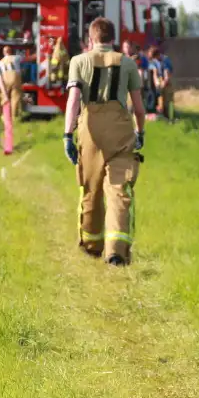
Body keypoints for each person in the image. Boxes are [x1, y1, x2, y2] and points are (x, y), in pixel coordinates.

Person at [63, 18, 146, 267]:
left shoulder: (78, 61)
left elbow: (74, 99)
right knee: (119, 191)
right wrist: (140, 132)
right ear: (113, 39)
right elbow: (139, 108)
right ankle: (116, 252)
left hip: (90, 130)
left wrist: (68, 134)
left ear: (91, 38)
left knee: (91, 187)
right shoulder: (128, 63)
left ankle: (91, 244)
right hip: (120, 130)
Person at [148, 46, 175, 123]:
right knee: (160, 100)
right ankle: (164, 118)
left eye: (154, 57)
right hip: (160, 79)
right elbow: (155, 73)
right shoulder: (154, 61)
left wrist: (164, 84)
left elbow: (167, 74)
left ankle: (171, 118)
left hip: (168, 81)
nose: (154, 59)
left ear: (158, 55)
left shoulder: (166, 60)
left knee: (168, 100)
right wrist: (156, 82)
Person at [0, 45, 25, 120]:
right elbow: (27, 58)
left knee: (5, 97)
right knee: (15, 98)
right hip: (15, 79)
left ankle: (4, 115)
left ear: (3, 52)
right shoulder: (16, 57)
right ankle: (14, 116)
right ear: (11, 51)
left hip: (5, 79)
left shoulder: (1, 62)